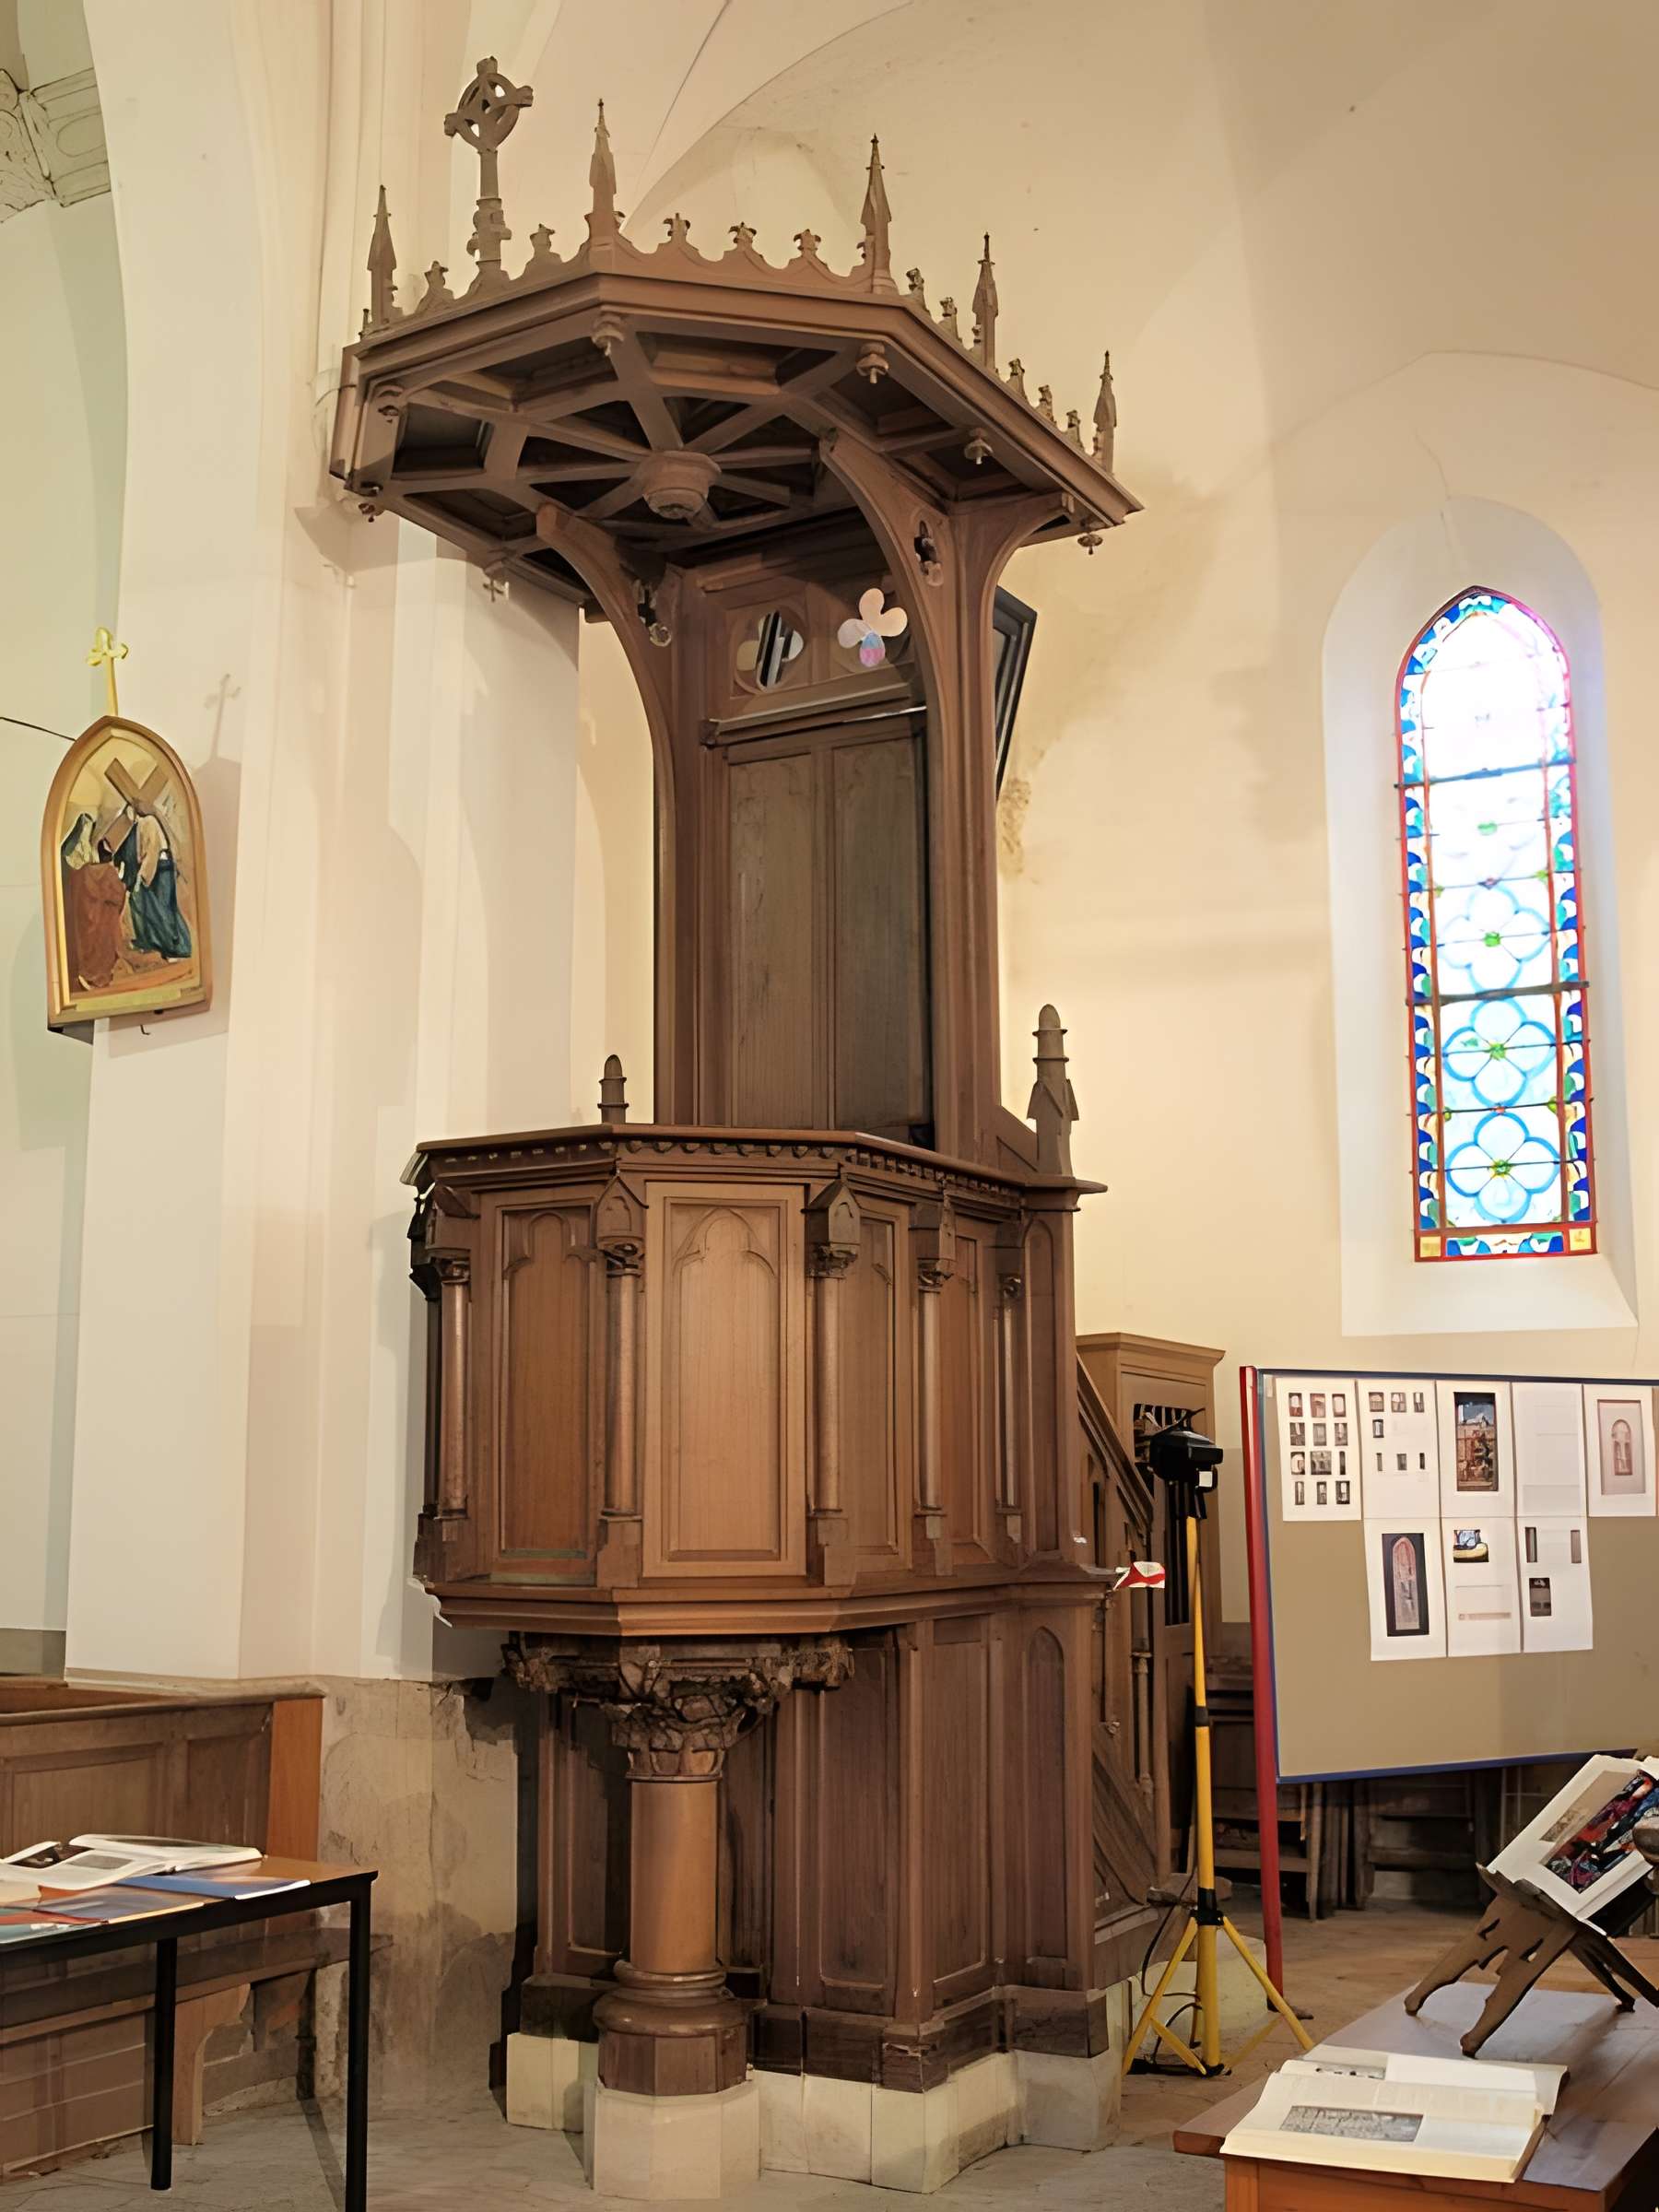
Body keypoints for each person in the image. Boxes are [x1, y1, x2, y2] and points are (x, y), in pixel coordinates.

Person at [105, 801, 191, 961]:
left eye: (129, 811)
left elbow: (152, 849)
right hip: (152, 869)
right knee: (146, 907)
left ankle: (178, 949)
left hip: (160, 869)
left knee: (164, 909)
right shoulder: (135, 827)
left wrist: (143, 876)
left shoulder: (149, 822)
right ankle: (151, 943)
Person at [59, 810, 127, 990]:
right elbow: (80, 875)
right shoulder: (71, 853)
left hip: (95, 907)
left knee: (102, 942)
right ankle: (91, 975)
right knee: (90, 943)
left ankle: (100, 975)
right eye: (86, 828)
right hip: (84, 905)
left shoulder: (91, 854)